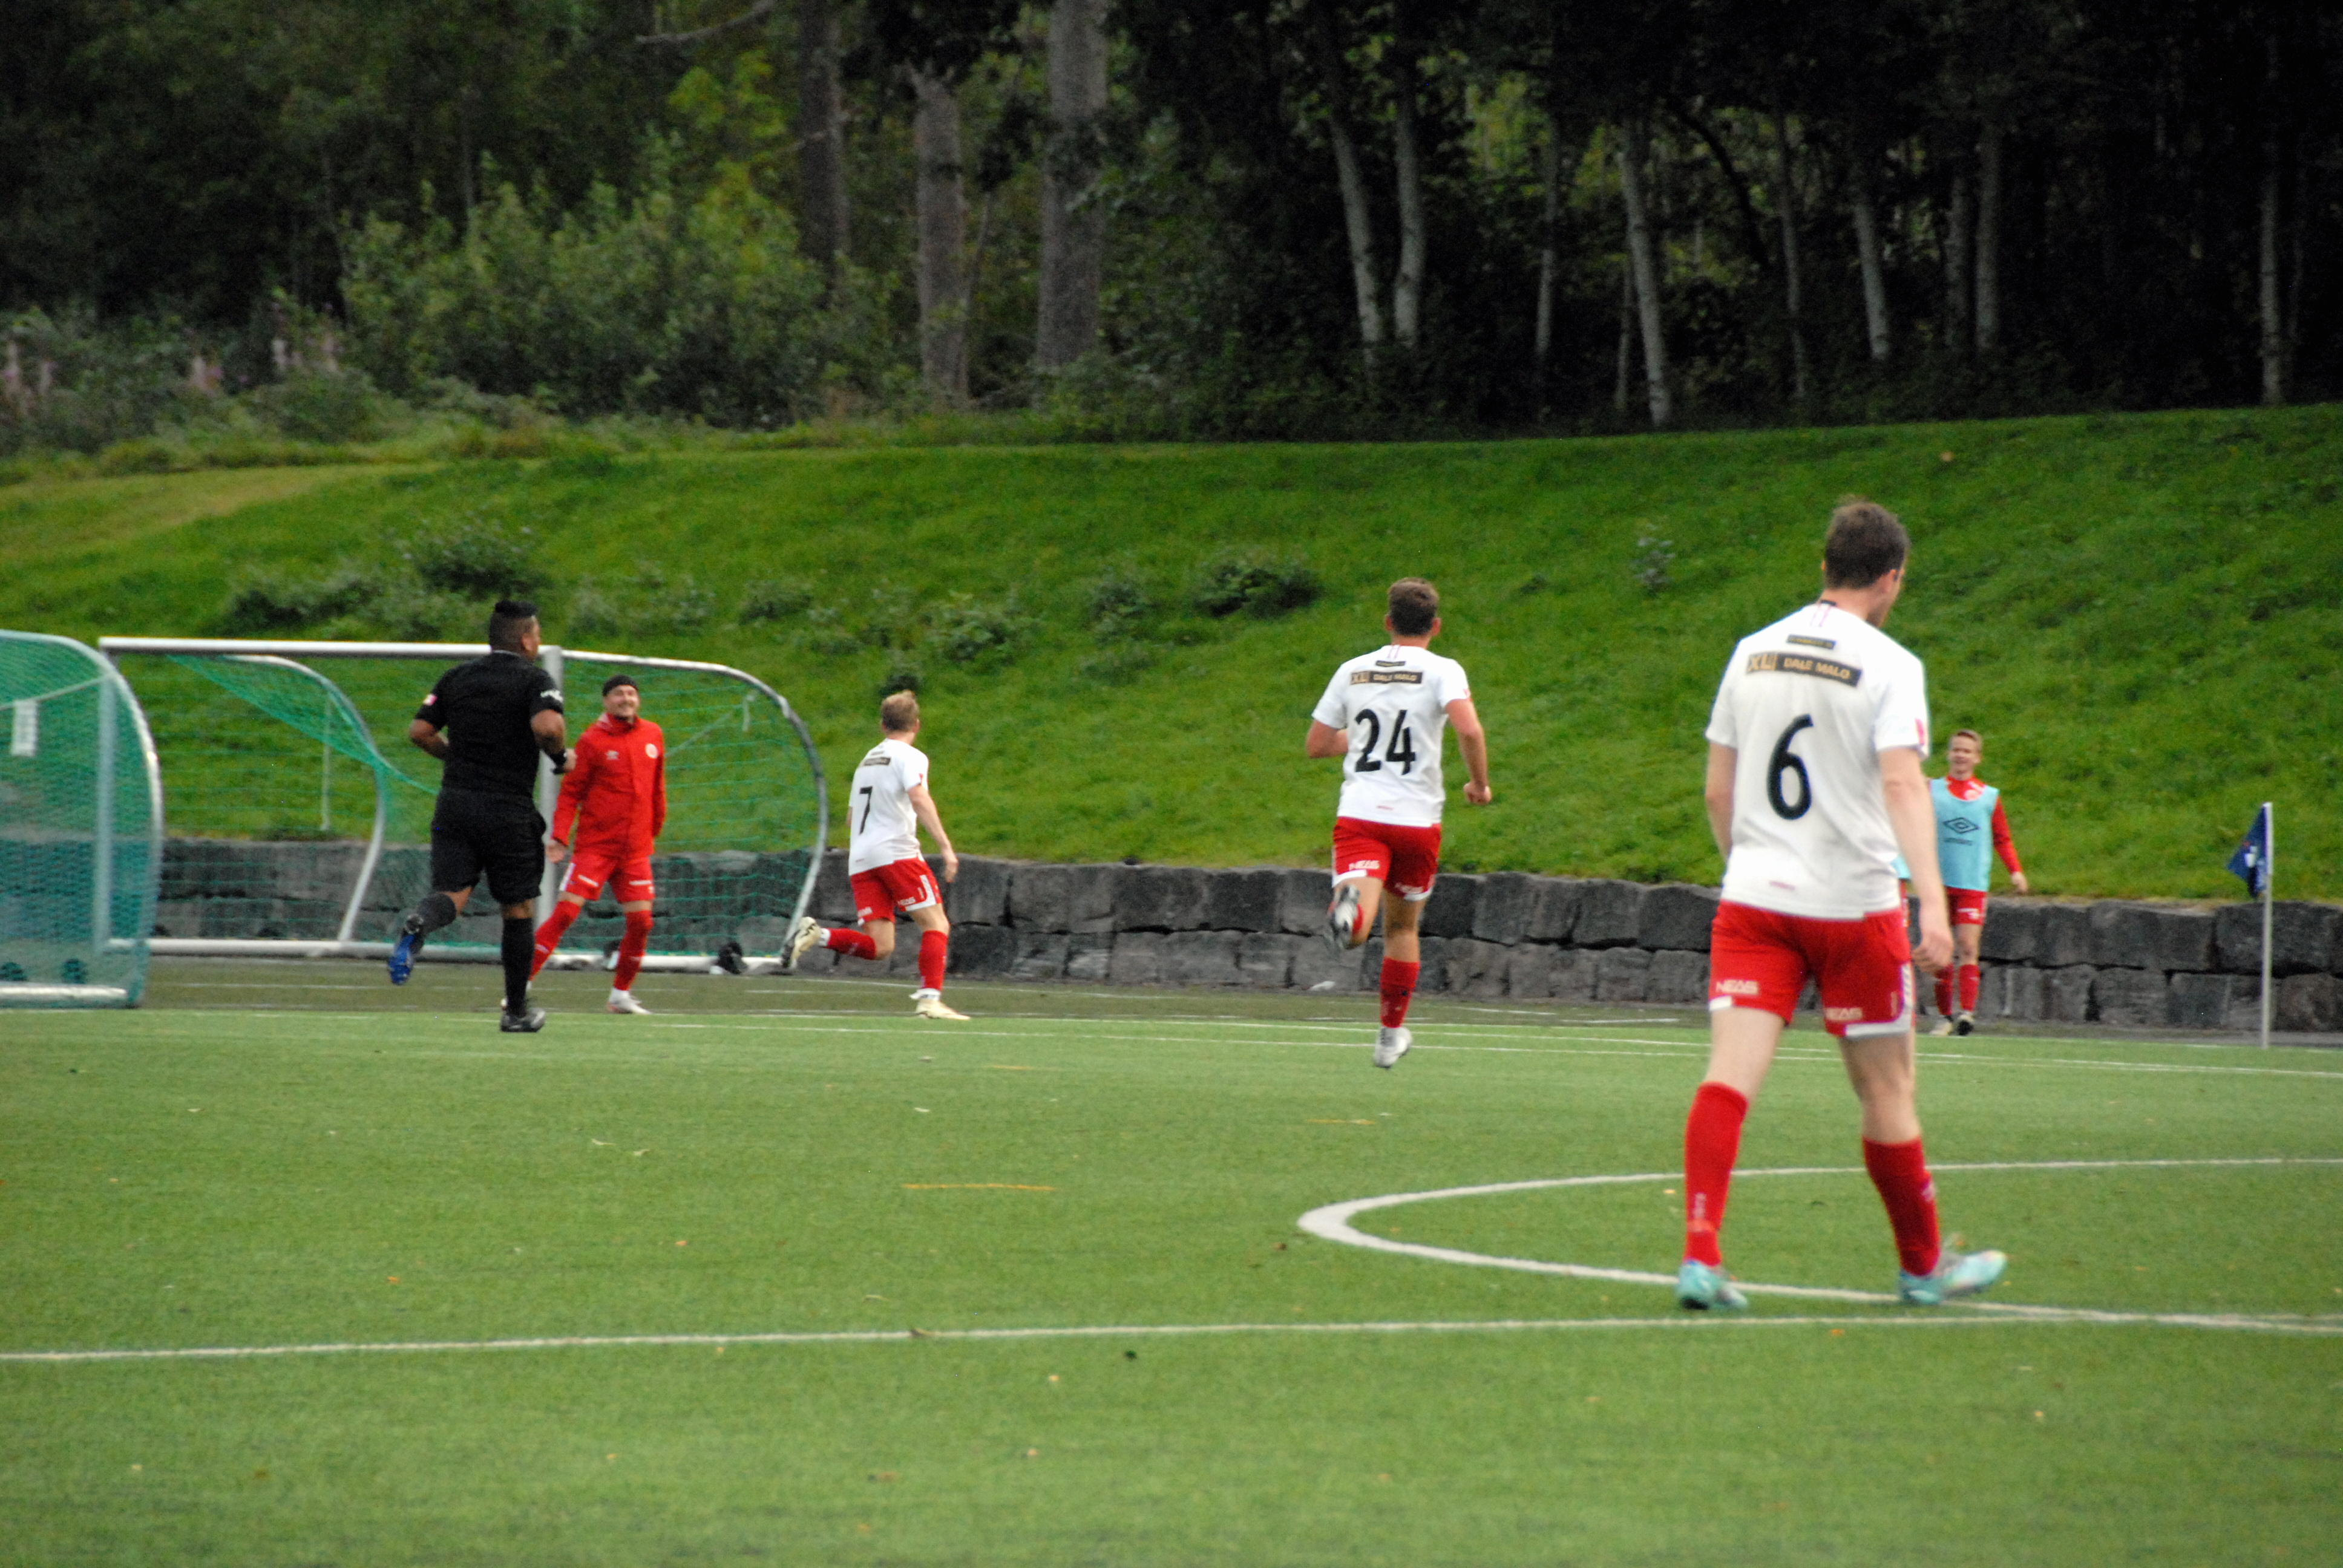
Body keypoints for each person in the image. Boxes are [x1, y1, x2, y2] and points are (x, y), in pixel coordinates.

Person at [1678, 501, 2005, 1312]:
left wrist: (1748, 867)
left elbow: (1717, 789)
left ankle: (1700, 1256)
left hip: (1754, 902)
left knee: (1728, 1079)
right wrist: (1934, 905)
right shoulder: (1890, 663)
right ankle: (1921, 1269)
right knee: (1887, 1090)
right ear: (1890, 578)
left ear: (1825, 565)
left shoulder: (1750, 651)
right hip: (1854, 907)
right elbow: (1902, 783)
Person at [1305, 577, 1491, 1070]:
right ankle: (1389, 1037)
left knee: (1360, 927)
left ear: (1388, 622)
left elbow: (1318, 745)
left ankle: (1349, 913)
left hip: (1362, 816)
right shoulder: (1443, 670)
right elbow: (1470, 729)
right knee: (1404, 928)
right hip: (1417, 820)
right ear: (1436, 626)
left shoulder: (1352, 670)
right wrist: (1479, 784)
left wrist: (1363, 738)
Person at [387, 599, 571, 1033]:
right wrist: (561, 758)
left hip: (455, 805)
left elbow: (420, 732)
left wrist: (454, 757)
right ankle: (516, 1012)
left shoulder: (457, 677)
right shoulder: (535, 679)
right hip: (507, 809)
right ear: (526, 640)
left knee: (451, 894)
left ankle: (420, 922)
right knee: (518, 909)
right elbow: (548, 729)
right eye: (537, 634)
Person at [784, 690, 967, 1020]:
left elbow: (851, 818)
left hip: (862, 858)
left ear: (883, 726)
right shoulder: (911, 756)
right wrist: (946, 847)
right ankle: (930, 1000)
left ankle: (819, 935)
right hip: (896, 853)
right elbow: (919, 797)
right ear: (917, 725)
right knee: (936, 923)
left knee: (881, 947)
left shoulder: (867, 761)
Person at [528, 673, 667, 1014]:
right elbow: (571, 793)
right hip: (596, 848)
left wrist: (654, 828)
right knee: (566, 913)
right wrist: (560, 836)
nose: (626, 699)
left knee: (642, 922)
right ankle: (520, 984)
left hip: (635, 851)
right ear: (606, 701)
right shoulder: (592, 740)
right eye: (618, 694)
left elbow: (657, 787)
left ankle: (620, 996)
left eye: (631, 693)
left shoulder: (653, 734)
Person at [1927, 728, 2028, 1036]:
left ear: (1977, 758)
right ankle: (1944, 1016)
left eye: (1967, 751)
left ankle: (1967, 1014)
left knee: (1968, 946)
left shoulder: (1988, 797)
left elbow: (2002, 838)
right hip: (1938, 885)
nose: (1961, 755)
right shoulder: (1933, 791)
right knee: (1942, 950)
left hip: (1972, 884)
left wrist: (2015, 871)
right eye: (1956, 750)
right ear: (1949, 754)